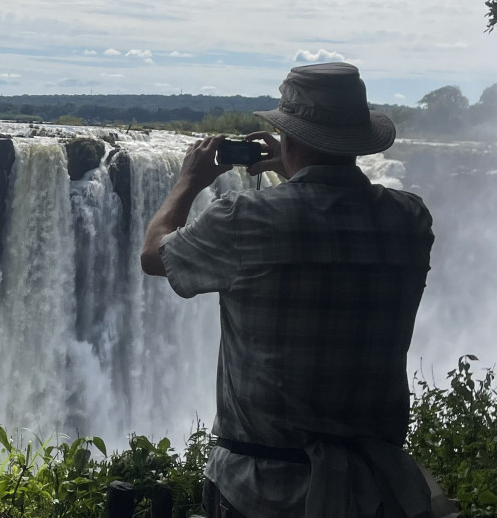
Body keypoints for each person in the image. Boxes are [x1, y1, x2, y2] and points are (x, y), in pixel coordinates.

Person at [140, 62, 435, 518]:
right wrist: (293, 165)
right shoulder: (410, 221)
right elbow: (325, 221)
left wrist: (187, 183)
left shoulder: (242, 219)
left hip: (261, 490)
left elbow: (154, 256)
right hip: (374, 492)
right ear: (357, 140)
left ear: (290, 137)